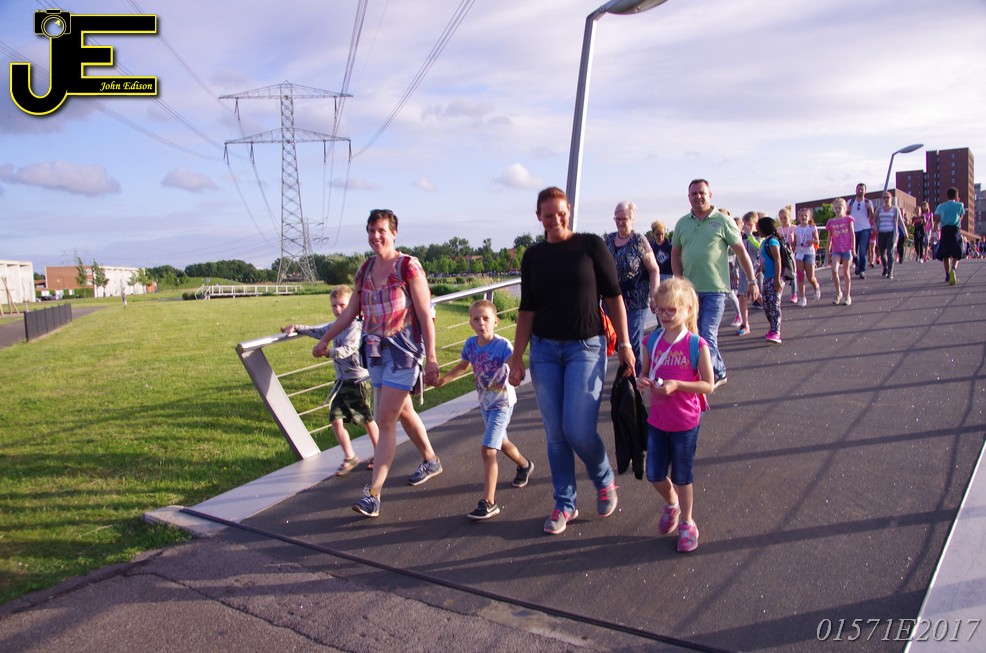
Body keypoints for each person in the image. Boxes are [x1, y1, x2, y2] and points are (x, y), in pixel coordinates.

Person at [507, 186, 635, 536]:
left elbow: (614, 297)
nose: (556, 220)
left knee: (578, 429)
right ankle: (564, 502)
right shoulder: (533, 256)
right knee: (555, 433)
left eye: (561, 213)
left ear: (569, 211)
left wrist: (625, 343)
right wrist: (517, 357)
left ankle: (604, 479)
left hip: (586, 347)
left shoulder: (591, 246)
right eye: (548, 215)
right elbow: (527, 309)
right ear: (539, 217)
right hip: (545, 351)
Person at [312, 209, 444, 518]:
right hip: (374, 353)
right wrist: (325, 339)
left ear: (394, 233)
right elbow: (350, 312)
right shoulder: (365, 269)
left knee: (385, 420)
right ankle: (431, 460)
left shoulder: (408, 266)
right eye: (371, 230)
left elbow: (424, 314)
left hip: (404, 352)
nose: (376, 236)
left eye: (381, 230)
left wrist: (432, 357)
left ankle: (373, 494)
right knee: (403, 411)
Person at [433, 299, 534, 521]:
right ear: (470, 323)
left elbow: (514, 362)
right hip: (485, 403)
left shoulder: (502, 345)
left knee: (488, 449)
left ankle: (489, 502)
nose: (481, 323)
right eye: (476, 319)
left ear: (496, 321)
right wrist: (442, 381)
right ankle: (525, 465)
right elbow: (463, 365)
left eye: (486, 319)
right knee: (502, 442)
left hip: (502, 403)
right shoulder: (470, 344)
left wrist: (517, 374)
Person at [637, 278, 714, 553]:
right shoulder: (651, 341)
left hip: (685, 421)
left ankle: (687, 523)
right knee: (654, 473)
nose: (665, 315)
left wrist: (678, 385)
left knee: (683, 476)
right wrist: (642, 380)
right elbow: (644, 372)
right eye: (660, 310)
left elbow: (708, 384)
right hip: (658, 420)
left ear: (688, 309)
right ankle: (672, 504)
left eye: (672, 309)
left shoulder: (696, 345)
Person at [282, 285, 380, 476]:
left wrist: (328, 352)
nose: (338, 309)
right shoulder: (336, 326)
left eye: (342, 305)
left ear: (352, 305)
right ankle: (350, 456)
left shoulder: (354, 327)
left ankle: (380, 453)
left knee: (366, 419)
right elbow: (319, 332)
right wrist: (297, 327)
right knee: (335, 418)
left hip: (358, 382)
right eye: (334, 305)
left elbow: (349, 349)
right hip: (342, 382)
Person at [671, 179, 759, 386]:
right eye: (694, 194)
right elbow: (675, 253)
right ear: (689, 197)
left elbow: (741, 252)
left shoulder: (723, 221)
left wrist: (752, 280)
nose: (698, 197)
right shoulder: (682, 223)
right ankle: (718, 370)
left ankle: (711, 377)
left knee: (707, 333)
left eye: (702, 193)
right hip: (690, 291)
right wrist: (678, 281)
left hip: (715, 289)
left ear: (710, 195)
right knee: (693, 334)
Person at [605, 201, 660, 374]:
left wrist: (654, 295)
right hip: (613, 299)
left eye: (624, 219)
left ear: (632, 219)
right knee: (615, 338)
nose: (620, 222)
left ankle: (638, 378)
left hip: (636, 298)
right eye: (617, 219)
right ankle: (628, 373)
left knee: (633, 341)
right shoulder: (608, 240)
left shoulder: (639, 240)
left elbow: (654, 269)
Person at [757, 216, 784, 344]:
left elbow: (778, 260)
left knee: (774, 305)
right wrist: (759, 269)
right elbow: (764, 259)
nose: (757, 230)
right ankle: (772, 327)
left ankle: (776, 331)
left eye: (758, 228)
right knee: (767, 305)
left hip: (774, 278)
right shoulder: (764, 242)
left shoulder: (772, 241)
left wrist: (777, 279)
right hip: (766, 278)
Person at [734, 211, 762, 335]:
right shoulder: (741, 237)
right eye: (745, 224)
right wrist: (735, 269)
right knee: (742, 296)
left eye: (749, 225)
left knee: (759, 297)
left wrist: (750, 235)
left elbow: (759, 248)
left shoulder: (759, 236)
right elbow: (738, 252)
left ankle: (773, 320)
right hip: (743, 271)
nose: (747, 227)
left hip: (756, 271)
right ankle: (745, 324)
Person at [826, 198, 856, 306]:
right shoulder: (831, 222)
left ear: (844, 208)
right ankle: (839, 292)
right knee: (834, 270)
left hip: (846, 248)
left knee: (846, 272)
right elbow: (829, 237)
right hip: (836, 249)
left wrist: (853, 249)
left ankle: (848, 295)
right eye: (836, 208)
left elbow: (852, 234)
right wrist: (827, 250)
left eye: (840, 208)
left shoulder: (848, 219)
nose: (838, 210)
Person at [934, 187, 966, 286]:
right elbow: (961, 216)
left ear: (947, 196)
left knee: (946, 254)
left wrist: (935, 227)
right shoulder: (960, 205)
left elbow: (937, 218)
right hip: (955, 230)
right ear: (956, 196)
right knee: (957, 253)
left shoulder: (941, 206)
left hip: (945, 230)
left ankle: (947, 275)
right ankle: (953, 269)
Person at [875, 192, 907, 279]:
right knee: (881, 253)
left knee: (890, 252)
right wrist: (876, 228)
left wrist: (905, 233)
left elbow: (900, 222)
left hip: (891, 233)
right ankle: (885, 266)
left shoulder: (895, 209)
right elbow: (875, 220)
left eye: (888, 198)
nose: (886, 199)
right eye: (884, 198)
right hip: (881, 233)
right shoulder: (879, 209)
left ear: (891, 198)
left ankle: (890, 271)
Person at [793, 207, 821, 306]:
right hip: (799, 253)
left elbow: (817, 241)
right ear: (798, 217)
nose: (803, 217)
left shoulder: (812, 228)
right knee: (800, 276)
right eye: (801, 216)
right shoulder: (796, 229)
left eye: (805, 215)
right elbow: (794, 242)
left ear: (809, 217)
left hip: (809, 253)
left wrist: (812, 241)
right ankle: (802, 297)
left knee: (810, 277)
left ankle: (816, 286)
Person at [847, 183, 875, 279]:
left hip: (865, 228)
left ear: (865, 191)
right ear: (855, 190)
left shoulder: (868, 202)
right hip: (853, 229)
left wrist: (870, 209)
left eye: (862, 189)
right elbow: (846, 215)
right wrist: (848, 210)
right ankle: (857, 265)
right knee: (853, 251)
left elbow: (872, 218)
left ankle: (862, 270)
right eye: (858, 189)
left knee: (862, 250)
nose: (860, 191)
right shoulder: (850, 202)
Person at [776, 207, 798, 304]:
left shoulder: (794, 228)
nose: (783, 220)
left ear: (789, 217)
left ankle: (794, 294)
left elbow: (797, 241)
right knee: (781, 274)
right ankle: (778, 294)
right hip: (782, 254)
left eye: (785, 218)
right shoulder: (778, 229)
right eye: (781, 218)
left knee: (792, 274)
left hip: (791, 254)